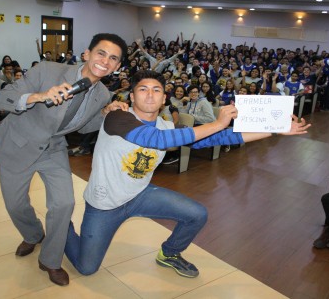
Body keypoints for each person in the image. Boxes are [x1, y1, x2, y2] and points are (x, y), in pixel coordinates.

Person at [64, 70, 310, 278]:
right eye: (143, 89)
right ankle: (61, 228)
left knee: (196, 214)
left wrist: (275, 129)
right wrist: (216, 122)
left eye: (156, 90)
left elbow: (223, 137)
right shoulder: (118, 117)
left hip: (139, 193)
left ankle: (169, 253)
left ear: (164, 99)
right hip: (105, 203)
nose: (150, 94)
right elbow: (155, 139)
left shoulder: (167, 126)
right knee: (86, 268)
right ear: (132, 95)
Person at [0, 33, 128, 287]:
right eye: (101, 53)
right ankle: (32, 234)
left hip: (53, 148)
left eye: (113, 59)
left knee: (64, 204)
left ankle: (50, 260)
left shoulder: (103, 94)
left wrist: (106, 113)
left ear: (117, 67)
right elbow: (0, 99)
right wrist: (38, 96)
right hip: (19, 142)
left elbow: (84, 128)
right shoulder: (48, 70)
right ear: (87, 54)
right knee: (15, 205)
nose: (105, 61)